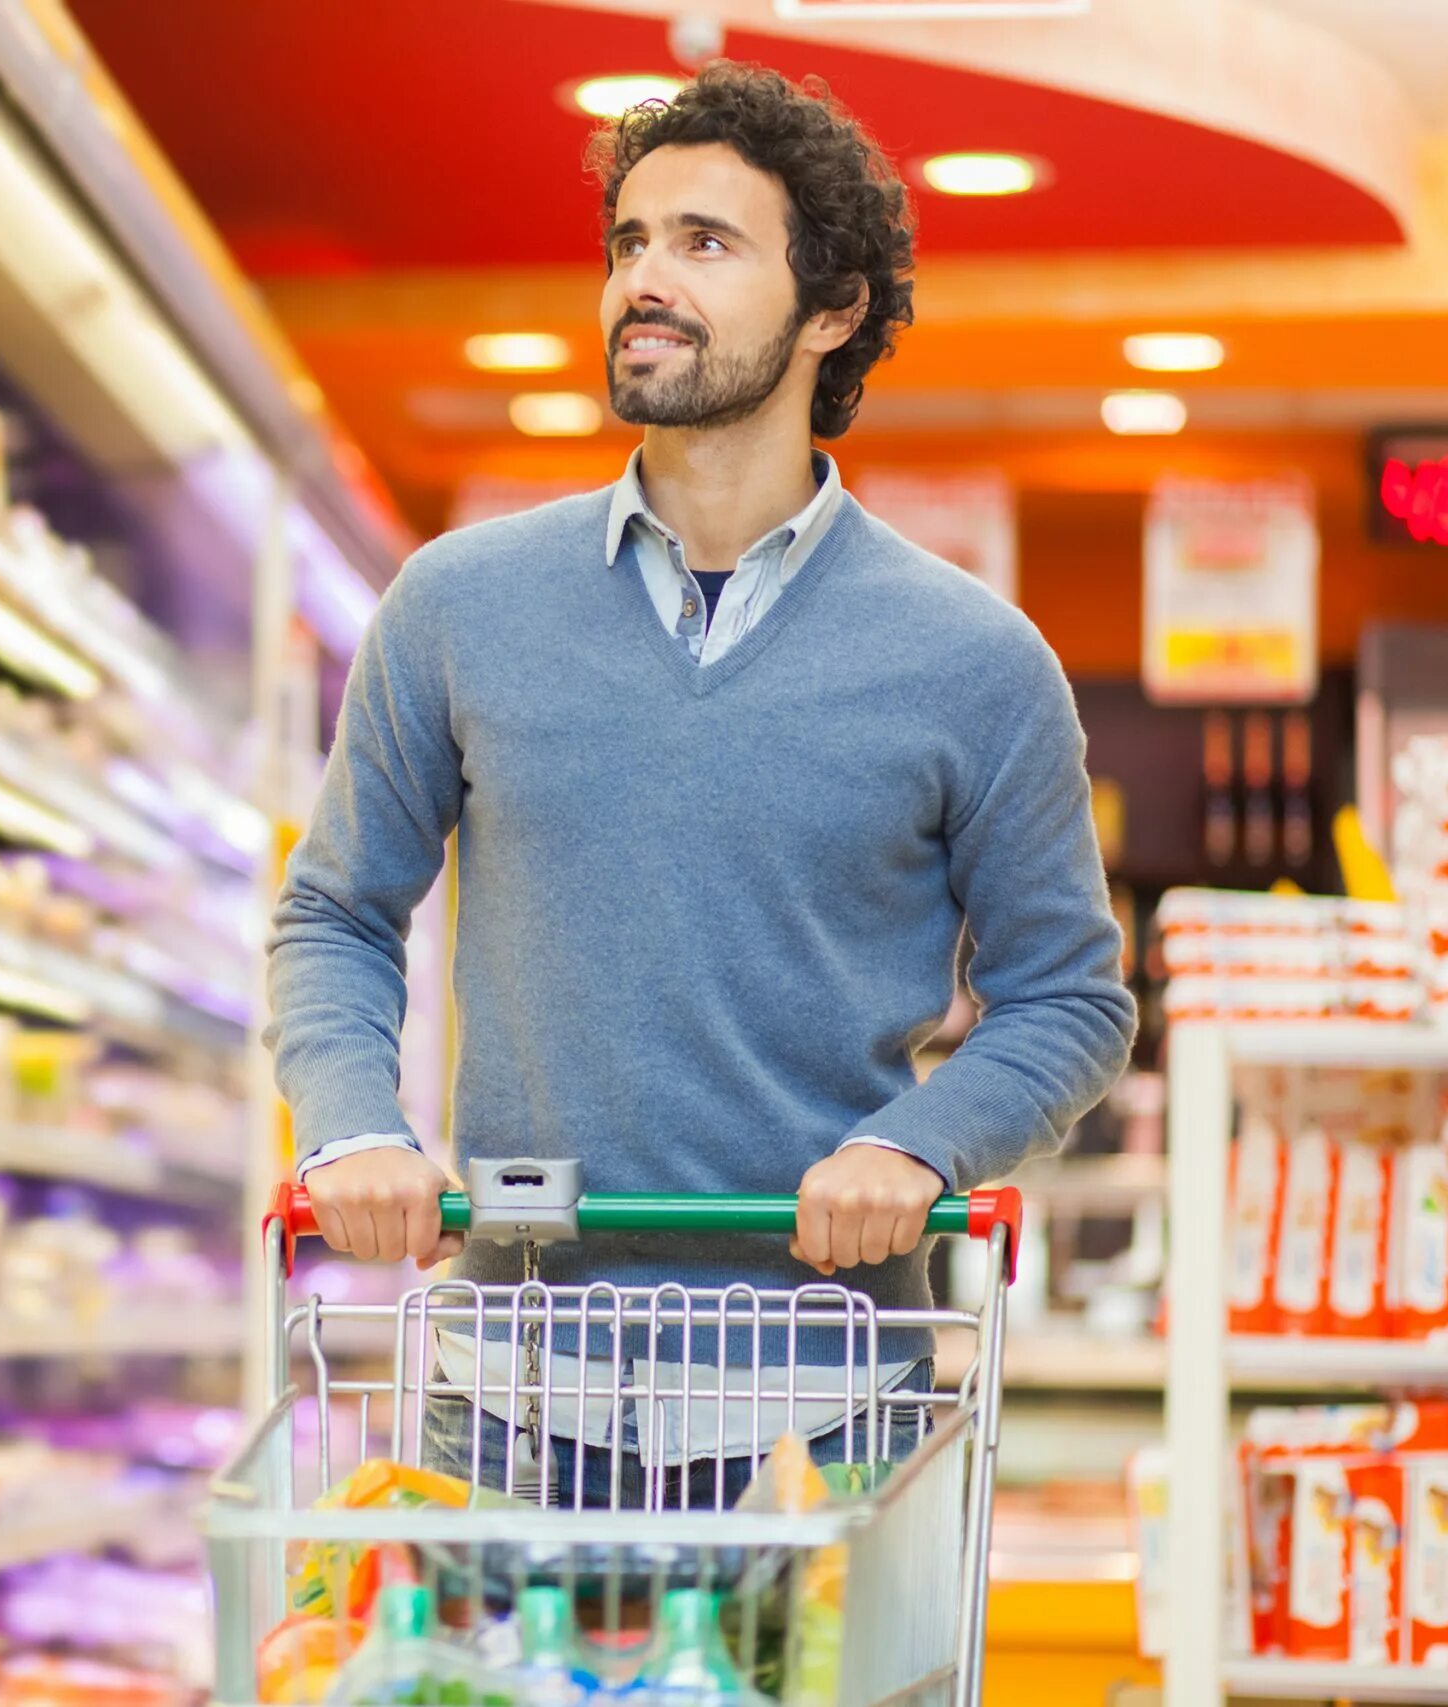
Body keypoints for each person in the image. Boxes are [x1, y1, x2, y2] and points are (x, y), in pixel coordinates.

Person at [263, 63, 1136, 1507]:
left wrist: (916, 1146)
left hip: (833, 1404)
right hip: (510, 1398)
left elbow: (1071, 998)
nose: (643, 281)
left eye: (705, 245)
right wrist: (354, 1123)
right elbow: (337, 912)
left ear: (834, 310)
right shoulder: (459, 605)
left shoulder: (974, 660)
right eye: (630, 242)